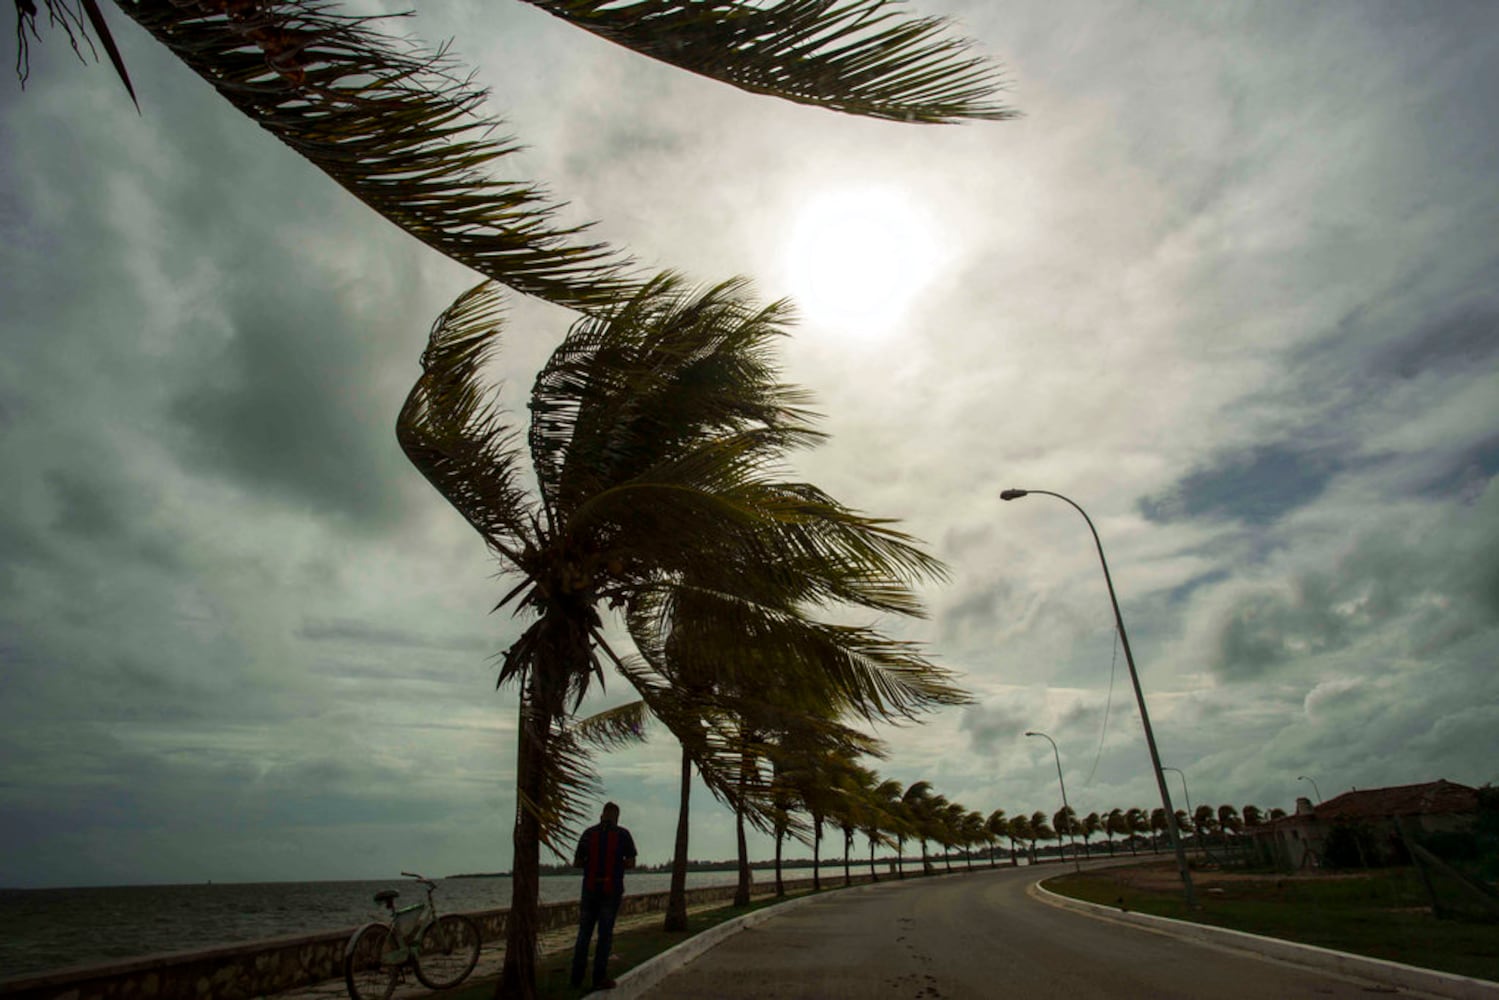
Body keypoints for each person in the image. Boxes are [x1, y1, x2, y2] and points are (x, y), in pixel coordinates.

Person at [570, 801, 637, 991]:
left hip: (590, 889)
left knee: (584, 933)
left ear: (601, 815)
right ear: (616, 817)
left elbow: (577, 862)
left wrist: (591, 866)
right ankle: (599, 977)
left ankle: (576, 978)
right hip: (611, 889)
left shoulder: (588, 834)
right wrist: (617, 866)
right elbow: (631, 862)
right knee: (605, 935)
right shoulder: (623, 834)